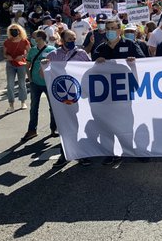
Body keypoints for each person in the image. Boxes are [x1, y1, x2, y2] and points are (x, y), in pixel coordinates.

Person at [93, 19, 147, 166]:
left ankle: (130, 150)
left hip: (125, 92)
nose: (110, 31)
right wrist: (97, 61)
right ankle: (111, 153)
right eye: (108, 28)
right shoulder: (101, 48)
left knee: (128, 122)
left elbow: (143, 61)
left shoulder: (130, 44)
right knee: (107, 124)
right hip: (106, 93)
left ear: (119, 30)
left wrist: (134, 61)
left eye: (113, 28)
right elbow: (89, 67)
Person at [45, 30, 92, 168]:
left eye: (74, 38)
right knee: (64, 127)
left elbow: (90, 70)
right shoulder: (53, 55)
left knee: (79, 124)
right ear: (62, 40)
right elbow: (45, 75)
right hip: (61, 98)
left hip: (78, 96)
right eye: (69, 38)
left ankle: (81, 154)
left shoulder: (81, 54)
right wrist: (45, 65)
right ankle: (65, 154)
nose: (72, 41)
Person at [21, 30, 57, 142]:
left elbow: (56, 66)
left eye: (34, 37)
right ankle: (32, 130)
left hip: (48, 83)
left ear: (40, 38)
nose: (32, 38)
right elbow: (27, 65)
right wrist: (30, 78)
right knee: (34, 107)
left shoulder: (52, 50)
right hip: (35, 83)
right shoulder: (32, 50)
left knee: (53, 107)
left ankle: (54, 128)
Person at [3, 23, 31, 112]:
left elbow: (29, 51)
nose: (13, 32)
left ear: (19, 31)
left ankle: (23, 102)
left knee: (22, 83)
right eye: (12, 30)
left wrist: (22, 56)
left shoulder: (24, 41)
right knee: (10, 85)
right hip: (10, 64)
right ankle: (11, 104)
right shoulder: (7, 42)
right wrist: (8, 57)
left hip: (21, 64)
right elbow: (4, 53)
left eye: (15, 30)